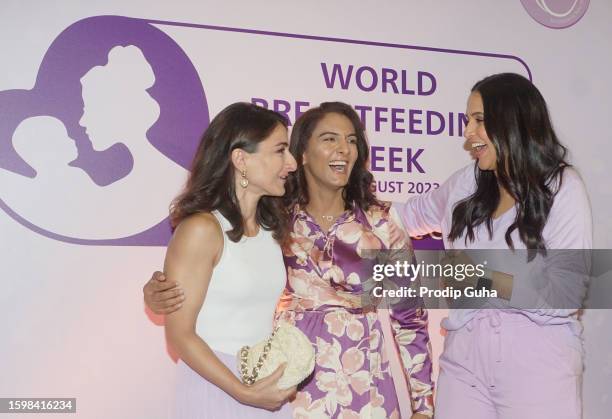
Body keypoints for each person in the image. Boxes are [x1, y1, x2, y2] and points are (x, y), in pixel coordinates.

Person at [145, 102, 434, 418]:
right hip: (287, 387)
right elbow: (216, 272)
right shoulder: (278, 220)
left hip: (365, 385)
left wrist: (423, 405)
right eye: (329, 139)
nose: (344, 149)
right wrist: (158, 292)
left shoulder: (380, 224)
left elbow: (409, 317)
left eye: (352, 141)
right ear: (304, 153)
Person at [397, 73, 591, 419]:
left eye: (479, 120)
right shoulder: (465, 184)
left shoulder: (562, 187)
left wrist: (483, 280)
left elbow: (564, 297)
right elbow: (401, 218)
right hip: (464, 358)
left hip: (538, 360)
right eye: (468, 120)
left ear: (513, 122)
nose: (468, 133)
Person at [161, 102, 297, 418]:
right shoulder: (201, 229)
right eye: (280, 150)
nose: (290, 163)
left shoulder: (269, 229)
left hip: (264, 386)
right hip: (218, 387)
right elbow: (179, 334)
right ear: (240, 159)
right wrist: (241, 391)